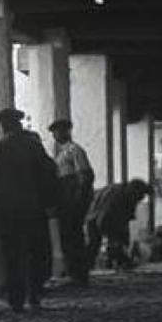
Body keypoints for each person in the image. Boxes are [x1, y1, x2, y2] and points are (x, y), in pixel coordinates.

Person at [0, 108, 57, 313]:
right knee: (35, 252)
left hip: (7, 211)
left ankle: (16, 299)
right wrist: (48, 202)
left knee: (12, 254)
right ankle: (34, 294)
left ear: (3, 126)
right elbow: (49, 174)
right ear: (18, 124)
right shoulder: (34, 147)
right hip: (33, 208)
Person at [49, 119, 95, 286]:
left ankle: (79, 273)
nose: (55, 135)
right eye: (54, 132)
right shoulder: (61, 153)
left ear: (66, 131)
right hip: (65, 199)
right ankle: (73, 271)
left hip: (72, 199)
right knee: (68, 236)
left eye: (58, 131)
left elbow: (85, 175)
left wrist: (78, 199)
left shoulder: (74, 150)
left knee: (74, 237)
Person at [84, 179, 153, 271]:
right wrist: (116, 242)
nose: (140, 199)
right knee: (95, 244)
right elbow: (102, 222)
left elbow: (126, 221)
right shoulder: (116, 197)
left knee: (114, 242)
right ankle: (87, 268)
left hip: (99, 215)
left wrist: (123, 242)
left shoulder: (127, 194)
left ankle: (112, 261)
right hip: (96, 216)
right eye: (140, 197)